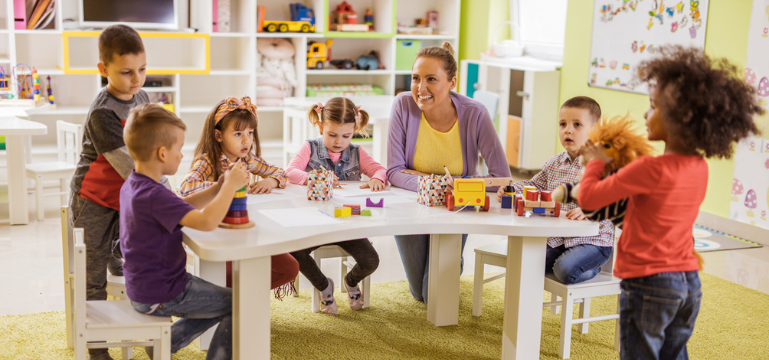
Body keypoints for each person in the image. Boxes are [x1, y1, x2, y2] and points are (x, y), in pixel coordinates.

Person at [577, 46, 761, 360]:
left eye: (653, 106)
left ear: (681, 117)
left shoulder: (649, 169)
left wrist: (597, 159)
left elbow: (588, 198)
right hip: (689, 284)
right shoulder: (699, 168)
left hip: (650, 284)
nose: (646, 115)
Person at [121, 104, 248, 360]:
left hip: (145, 287)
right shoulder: (154, 194)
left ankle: (167, 342)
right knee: (240, 304)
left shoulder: (136, 184)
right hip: (164, 292)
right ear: (162, 153)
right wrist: (230, 187)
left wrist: (217, 187)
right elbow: (207, 222)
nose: (182, 155)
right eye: (179, 149)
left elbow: (181, 207)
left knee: (228, 302)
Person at [386, 42, 511, 302]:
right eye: (416, 78)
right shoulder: (403, 105)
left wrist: (452, 184)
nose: (421, 88)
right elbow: (395, 172)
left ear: (452, 82)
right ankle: (451, 263)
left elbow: (501, 178)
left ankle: (454, 261)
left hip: (454, 208)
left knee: (435, 294)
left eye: (431, 79)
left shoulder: (475, 114)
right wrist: (438, 183)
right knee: (421, 294)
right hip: (411, 206)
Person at [67, 24, 151, 360]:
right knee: (93, 278)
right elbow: (130, 166)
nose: (137, 79)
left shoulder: (141, 97)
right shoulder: (103, 112)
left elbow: (151, 148)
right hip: (94, 200)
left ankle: (140, 324)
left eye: (142, 70)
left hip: (124, 199)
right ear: (103, 70)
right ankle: (96, 344)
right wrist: (164, 193)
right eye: (126, 72)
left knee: (128, 261)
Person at [180, 96, 298, 294]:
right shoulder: (207, 161)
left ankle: (238, 302)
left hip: (247, 231)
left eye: (250, 133)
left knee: (289, 268)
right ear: (218, 136)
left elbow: (281, 172)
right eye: (237, 134)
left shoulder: (247, 160)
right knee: (227, 276)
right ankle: (228, 304)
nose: (246, 140)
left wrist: (270, 181)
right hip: (215, 235)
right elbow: (186, 188)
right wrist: (225, 184)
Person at [495, 96, 615, 284]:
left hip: (592, 242)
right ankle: (561, 263)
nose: (568, 130)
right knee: (527, 261)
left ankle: (593, 268)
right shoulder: (555, 162)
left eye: (577, 125)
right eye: (563, 124)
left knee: (564, 269)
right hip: (558, 239)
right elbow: (533, 185)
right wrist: (510, 189)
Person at [285, 97, 383, 314]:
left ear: (354, 129)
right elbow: (290, 172)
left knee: (371, 260)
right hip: (315, 223)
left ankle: (350, 281)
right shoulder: (310, 148)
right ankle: (324, 286)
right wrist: (313, 178)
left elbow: (379, 170)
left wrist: (377, 179)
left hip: (347, 223)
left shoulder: (357, 152)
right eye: (332, 135)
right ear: (321, 127)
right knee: (293, 252)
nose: (339, 141)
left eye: (346, 136)